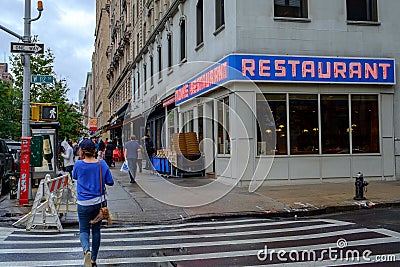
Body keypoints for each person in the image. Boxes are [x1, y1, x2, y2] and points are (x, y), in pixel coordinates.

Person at [72, 139, 114, 267]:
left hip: (83, 203)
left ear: (82, 151)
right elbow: (110, 182)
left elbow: (75, 177)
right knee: (96, 231)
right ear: (94, 150)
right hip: (99, 204)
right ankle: (93, 260)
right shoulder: (102, 164)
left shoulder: (78, 164)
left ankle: (86, 251)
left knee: (84, 230)